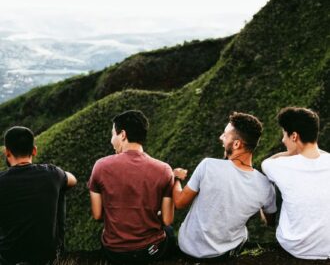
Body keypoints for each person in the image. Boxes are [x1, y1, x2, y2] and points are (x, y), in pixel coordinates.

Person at [173, 112, 277, 260]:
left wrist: (176, 178)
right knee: (243, 232)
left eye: (225, 135)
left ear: (236, 144)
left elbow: (179, 203)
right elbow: (269, 221)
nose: (221, 138)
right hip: (223, 255)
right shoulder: (265, 186)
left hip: (187, 248)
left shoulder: (208, 165)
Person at [88, 110, 175, 264]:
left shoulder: (100, 166)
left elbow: (97, 215)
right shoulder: (165, 170)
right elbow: (167, 219)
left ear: (122, 134)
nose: (111, 140)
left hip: (115, 252)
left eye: (112, 135)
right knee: (169, 231)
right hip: (150, 251)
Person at [0, 126, 77, 265]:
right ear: (34, 150)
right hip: (47, 256)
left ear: (7, 152)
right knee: (61, 188)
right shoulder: (52, 173)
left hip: (8, 256)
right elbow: (73, 180)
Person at [262, 107, 330, 260]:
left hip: (294, 247)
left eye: (284, 135)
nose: (282, 140)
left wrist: (291, 152)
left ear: (294, 136)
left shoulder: (276, 165)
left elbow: (266, 163)